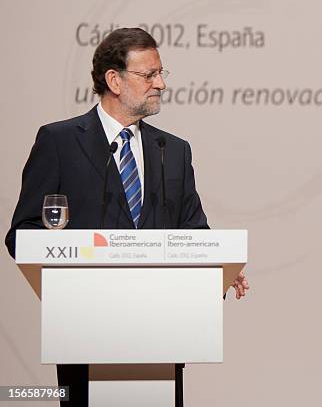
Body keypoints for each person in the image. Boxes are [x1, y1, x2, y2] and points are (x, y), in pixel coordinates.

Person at [5, 27, 249, 407]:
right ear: (114, 80)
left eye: (161, 72)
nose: (161, 84)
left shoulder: (173, 150)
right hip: (84, 333)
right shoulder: (60, 141)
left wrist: (219, 266)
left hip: (161, 333)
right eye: (149, 74)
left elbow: (195, 231)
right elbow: (23, 233)